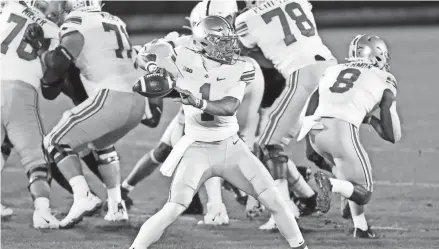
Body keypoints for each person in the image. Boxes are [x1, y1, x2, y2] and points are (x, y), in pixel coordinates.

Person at [129, 16, 308, 249]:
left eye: (228, 40)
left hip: (231, 148)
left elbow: (228, 107)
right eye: (220, 41)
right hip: (196, 151)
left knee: (275, 200)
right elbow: (145, 54)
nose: (229, 46)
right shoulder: (184, 55)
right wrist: (155, 67)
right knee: (173, 208)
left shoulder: (239, 67)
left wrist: (196, 100)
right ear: (204, 42)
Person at [24, 0, 146, 228]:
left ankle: (83, 196)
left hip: (112, 97)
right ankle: (116, 206)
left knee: (54, 140)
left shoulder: (77, 21)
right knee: (100, 144)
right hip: (138, 101)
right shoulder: (114, 20)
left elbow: (58, 62)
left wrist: (41, 49)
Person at [234, 0, 337, 229]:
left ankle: (284, 212)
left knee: (269, 144)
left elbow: (238, 51)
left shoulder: (245, 19)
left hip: (303, 75)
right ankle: (354, 194)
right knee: (318, 151)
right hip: (331, 70)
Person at [298, 34, 401, 238]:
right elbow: (392, 135)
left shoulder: (332, 70)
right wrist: (371, 120)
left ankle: (360, 227)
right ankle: (332, 184)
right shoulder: (384, 78)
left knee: (348, 175)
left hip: (315, 130)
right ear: (376, 57)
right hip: (341, 132)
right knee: (363, 191)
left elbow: (311, 106)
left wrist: (310, 147)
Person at [0, 0, 60, 229]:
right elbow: (52, 75)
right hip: (19, 91)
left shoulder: (9, 7)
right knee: (36, 159)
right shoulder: (52, 29)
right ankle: (42, 213)